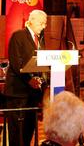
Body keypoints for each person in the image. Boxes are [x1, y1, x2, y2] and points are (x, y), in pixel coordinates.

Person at [4, 9, 47, 146]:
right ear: (32, 21)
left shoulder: (40, 39)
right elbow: (17, 63)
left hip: (33, 94)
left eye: (45, 24)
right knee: (17, 133)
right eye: (41, 23)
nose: (44, 26)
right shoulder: (18, 36)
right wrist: (29, 80)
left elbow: (41, 61)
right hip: (18, 93)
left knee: (29, 130)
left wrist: (42, 79)